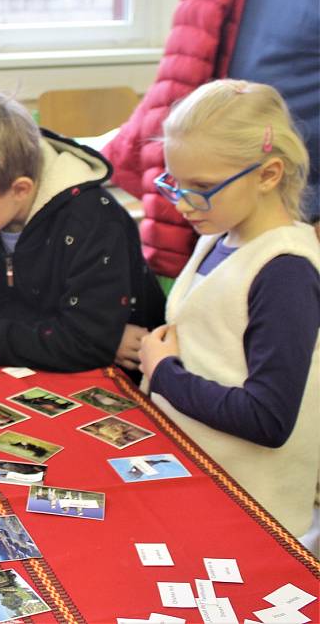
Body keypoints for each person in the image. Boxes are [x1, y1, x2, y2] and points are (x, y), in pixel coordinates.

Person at [139, 79, 320, 551]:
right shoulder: (218, 235)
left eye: (200, 187)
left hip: (254, 509)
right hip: (200, 475)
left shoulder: (285, 273)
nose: (181, 202)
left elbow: (268, 419)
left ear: (267, 175)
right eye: (175, 183)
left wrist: (164, 373)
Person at [103, 0, 319, 284]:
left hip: (291, 206)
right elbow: (190, 56)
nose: (182, 204)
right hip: (232, 193)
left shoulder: (287, 267)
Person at [0, 88, 165, 373]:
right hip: (39, 363)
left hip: (123, 378)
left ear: (20, 189)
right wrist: (79, 334)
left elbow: (85, 344)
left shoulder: (93, 221)